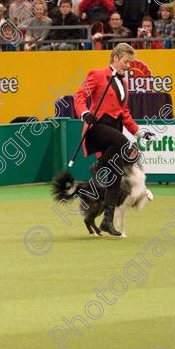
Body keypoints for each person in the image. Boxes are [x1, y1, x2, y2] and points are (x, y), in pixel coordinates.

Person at [73, 43, 154, 236]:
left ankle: (107, 221)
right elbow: (79, 96)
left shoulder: (124, 84)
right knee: (125, 145)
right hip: (97, 127)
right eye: (126, 62)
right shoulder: (96, 74)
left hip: (114, 132)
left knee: (115, 176)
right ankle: (98, 166)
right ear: (115, 58)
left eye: (130, 63)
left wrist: (140, 133)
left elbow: (124, 114)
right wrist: (84, 113)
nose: (128, 66)